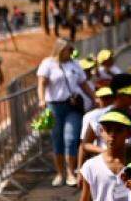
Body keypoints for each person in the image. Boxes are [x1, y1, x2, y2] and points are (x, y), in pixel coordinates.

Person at [37, 38, 95, 186]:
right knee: (57, 140)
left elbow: (83, 84)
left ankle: (70, 172)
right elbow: (41, 83)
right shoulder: (48, 63)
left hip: (72, 105)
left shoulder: (75, 64)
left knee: (71, 139)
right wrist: (42, 100)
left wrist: (94, 98)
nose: (72, 52)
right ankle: (59, 173)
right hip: (54, 106)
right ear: (61, 49)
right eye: (69, 49)